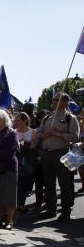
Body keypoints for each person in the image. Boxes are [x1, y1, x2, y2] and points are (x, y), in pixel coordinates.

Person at [36, 93, 80, 221]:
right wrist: (43, 136)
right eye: (53, 99)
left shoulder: (70, 118)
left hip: (61, 152)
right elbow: (38, 133)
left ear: (65, 103)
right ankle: (51, 208)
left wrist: (58, 134)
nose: (54, 101)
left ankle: (66, 210)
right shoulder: (47, 118)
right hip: (47, 153)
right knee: (48, 182)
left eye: (57, 100)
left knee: (64, 182)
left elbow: (74, 137)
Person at [15, 113, 37, 215]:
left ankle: (22, 203)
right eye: (16, 120)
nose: (16, 122)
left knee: (27, 183)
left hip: (29, 160)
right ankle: (20, 205)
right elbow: (15, 146)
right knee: (19, 183)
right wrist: (25, 144)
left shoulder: (33, 131)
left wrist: (22, 144)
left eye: (19, 120)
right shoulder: (15, 132)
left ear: (25, 121)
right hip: (18, 160)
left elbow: (33, 146)